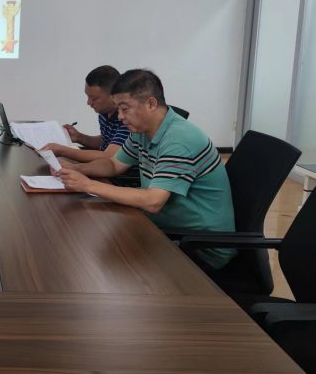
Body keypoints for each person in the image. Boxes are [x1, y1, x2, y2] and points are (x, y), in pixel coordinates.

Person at [55, 69, 235, 270]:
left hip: (201, 248)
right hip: (166, 230)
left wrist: (88, 185)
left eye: (125, 109)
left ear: (151, 104)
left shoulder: (179, 140)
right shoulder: (142, 131)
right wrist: (77, 169)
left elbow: (153, 201)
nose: (120, 117)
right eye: (118, 109)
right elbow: (114, 164)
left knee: (108, 264)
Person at [42, 65, 130, 162]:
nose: (89, 103)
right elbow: (108, 142)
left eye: (94, 99)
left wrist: (63, 151)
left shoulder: (127, 119)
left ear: (113, 95)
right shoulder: (104, 113)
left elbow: (109, 156)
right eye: (87, 96)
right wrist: (79, 137)